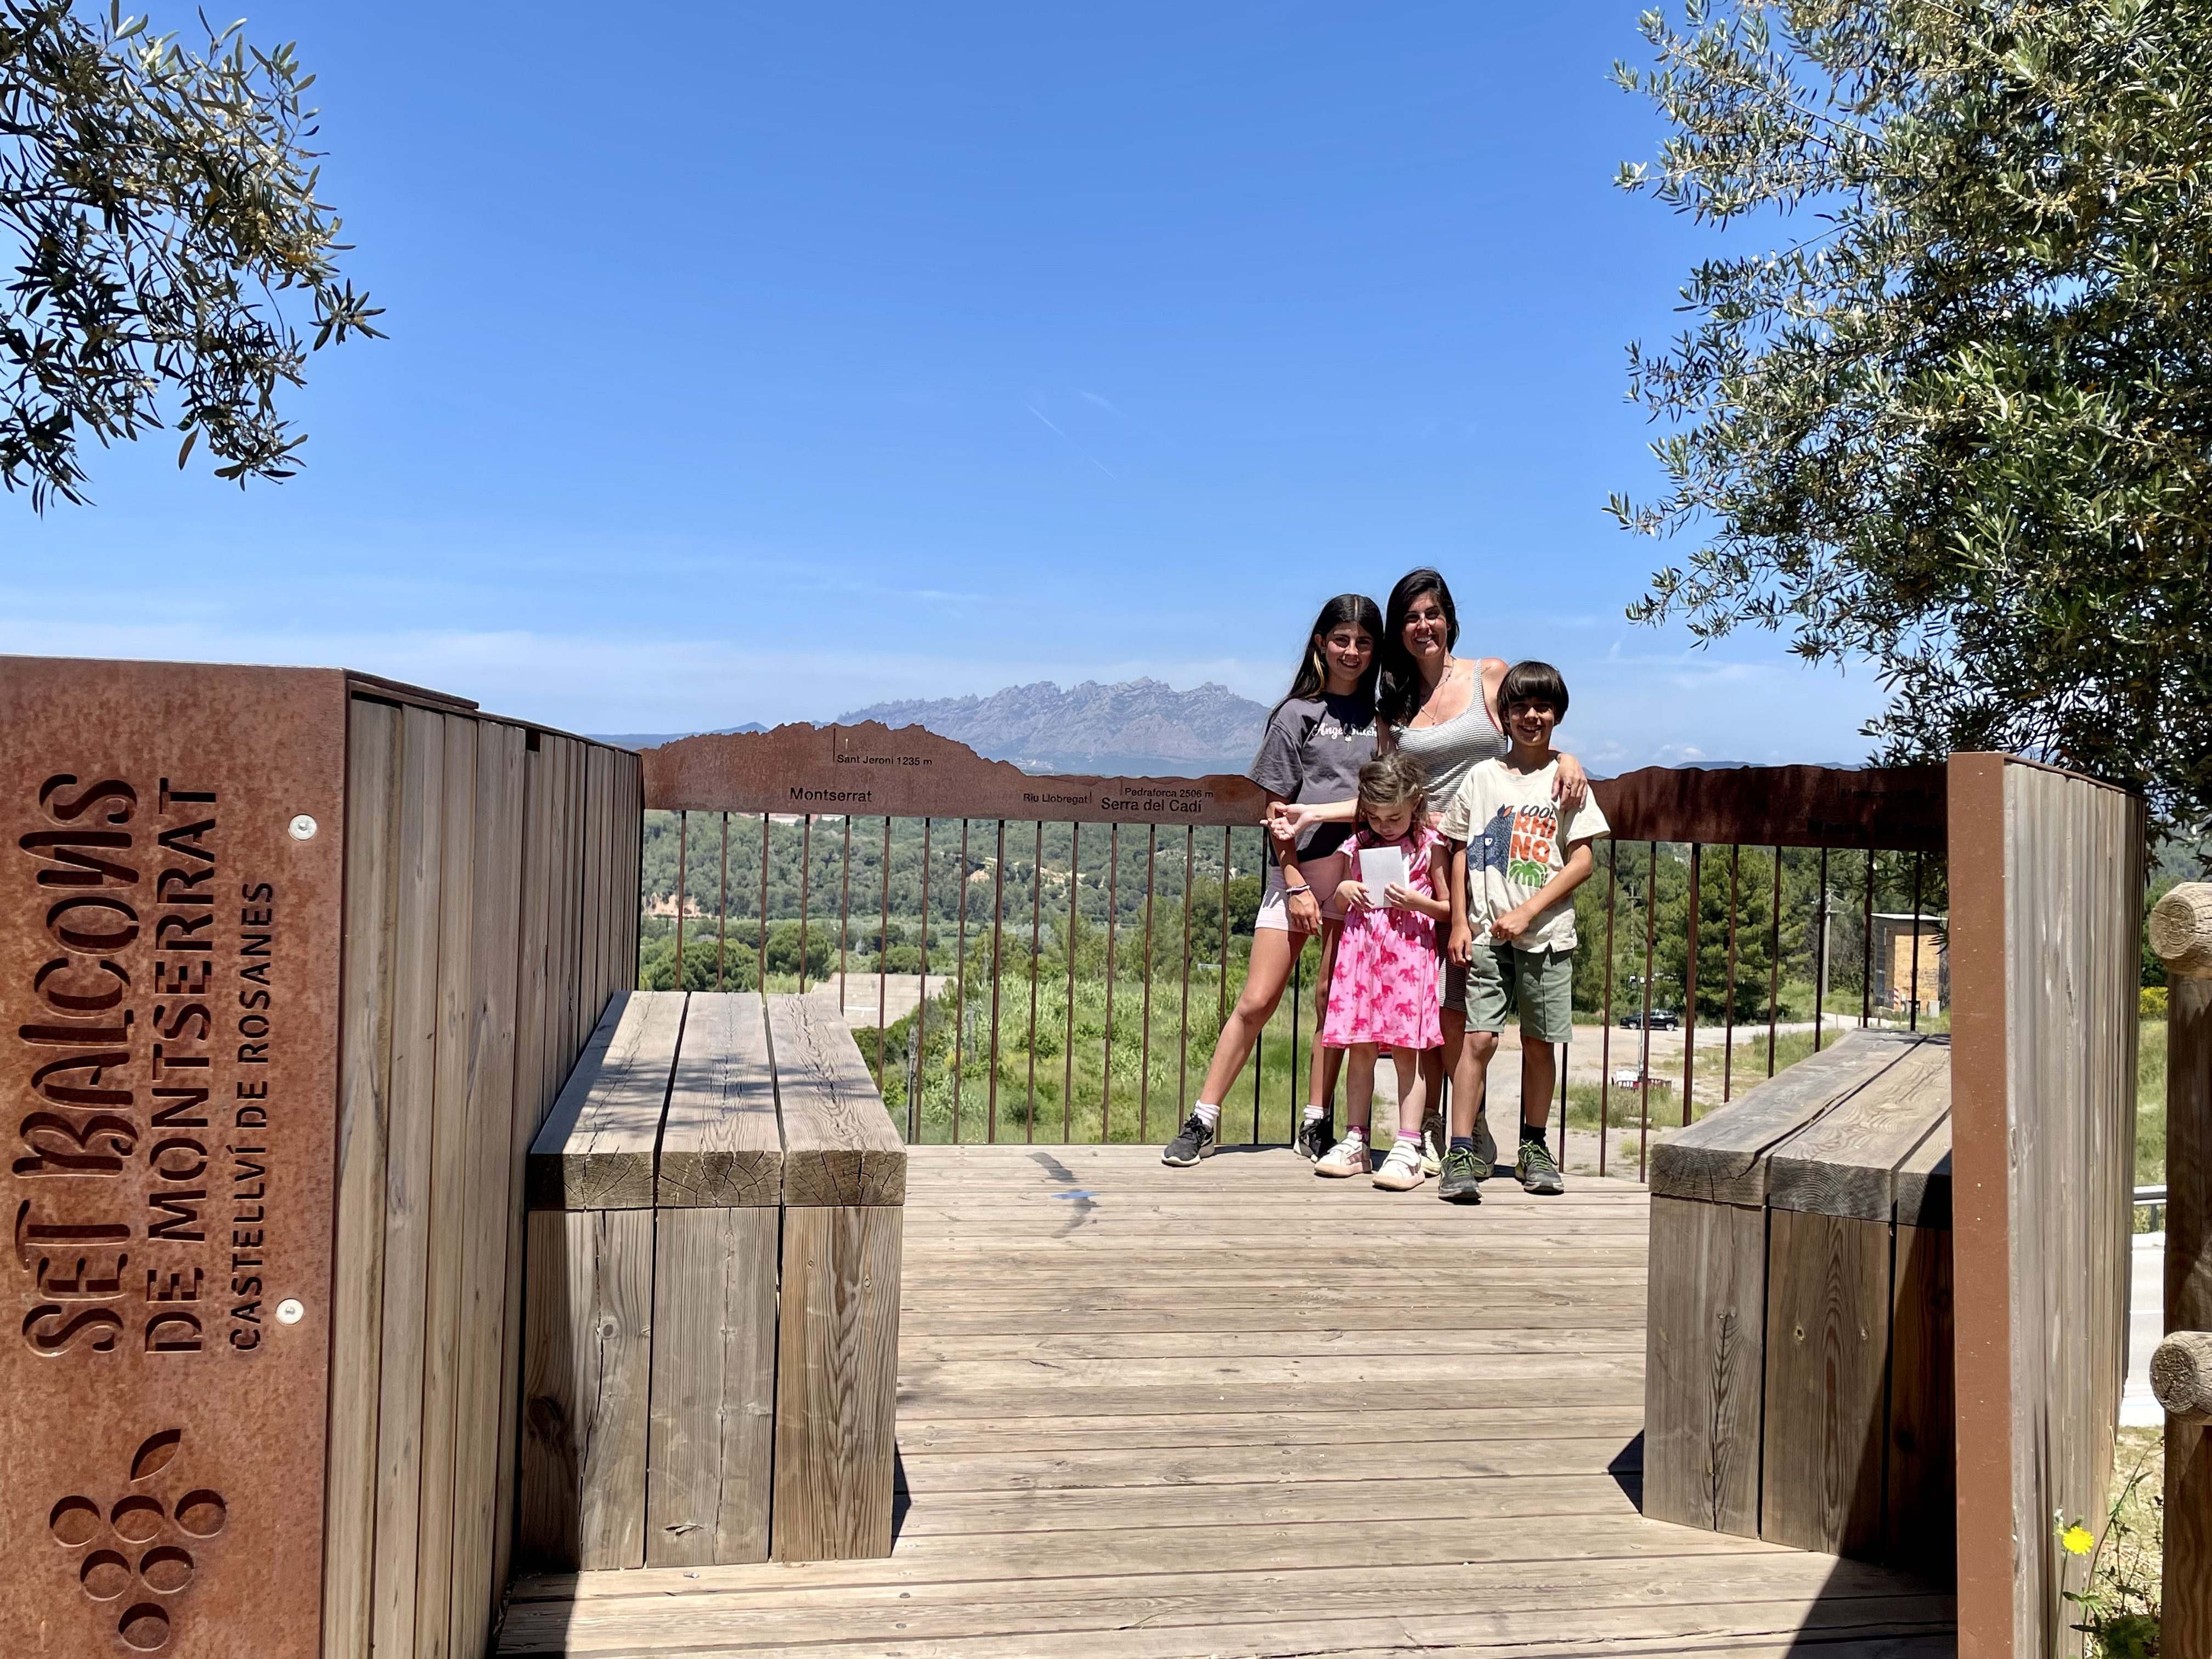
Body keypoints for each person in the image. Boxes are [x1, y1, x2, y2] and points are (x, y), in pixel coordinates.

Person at [1269, 568, 1588, 1178]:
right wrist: (1314, 812)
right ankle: (1433, 1128)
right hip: (1416, 855)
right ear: (1401, 629)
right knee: (1430, 1003)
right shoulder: (1395, 704)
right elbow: (1381, 796)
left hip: (1482, 860)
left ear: (1449, 619)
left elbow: (1531, 726)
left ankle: (1466, 1127)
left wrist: (1567, 757)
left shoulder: (1489, 675)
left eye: (1432, 614)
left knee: (1464, 1005)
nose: (1423, 626)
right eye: (1411, 617)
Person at [1161, 594, 1382, 1167]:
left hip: (1360, 877)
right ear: (1321, 644)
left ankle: (1316, 1122)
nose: (1352, 652)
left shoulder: (1384, 719)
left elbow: (1389, 803)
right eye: (1341, 640)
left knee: (1333, 1003)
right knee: (1257, 1000)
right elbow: (1276, 810)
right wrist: (1295, 884)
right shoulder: (1295, 715)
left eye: (1363, 642)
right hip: (1298, 876)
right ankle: (1202, 1120)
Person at [1436, 660, 1609, 1202]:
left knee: (1539, 1043)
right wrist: (1459, 921)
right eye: (1521, 707)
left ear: (1558, 713)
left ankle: (1534, 1147)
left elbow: (1582, 860)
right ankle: (1461, 1149)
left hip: (1547, 937)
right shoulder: (1482, 778)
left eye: (1543, 707)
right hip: (1487, 934)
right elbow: (1458, 849)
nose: (1532, 716)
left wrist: (1528, 912)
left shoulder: (1567, 780)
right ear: (1504, 715)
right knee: (1479, 1039)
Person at [1309, 753, 1451, 1190]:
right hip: (1362, 959)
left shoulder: (1431, 845)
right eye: (1375, 817)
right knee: (1361, 1049)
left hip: (1408, 959)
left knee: (1408, 1053)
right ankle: (1357, 1140)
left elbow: (1448, 908)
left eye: (1395, 817)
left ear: (1416, 803)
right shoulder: (1357, 845)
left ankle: (1408, 1145)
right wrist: (1345, 889)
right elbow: (1338, 900)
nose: (1385, 826)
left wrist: (1418, 902)